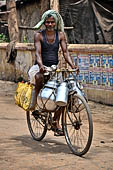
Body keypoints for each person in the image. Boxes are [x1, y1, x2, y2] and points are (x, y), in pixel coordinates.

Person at [28, 10, 79, 136]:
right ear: (44, 23)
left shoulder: (60, 35)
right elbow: (38, 53)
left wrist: (73, 65)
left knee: (64, 93)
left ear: (56, 23)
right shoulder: (39, 35)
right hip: (40, 67)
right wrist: (41, 66)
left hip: (55, 68)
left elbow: (65, 52)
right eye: (47, 22)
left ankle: (55, 122)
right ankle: (37, 102)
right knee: (39, 77)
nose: (50, 24)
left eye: (52, 22)